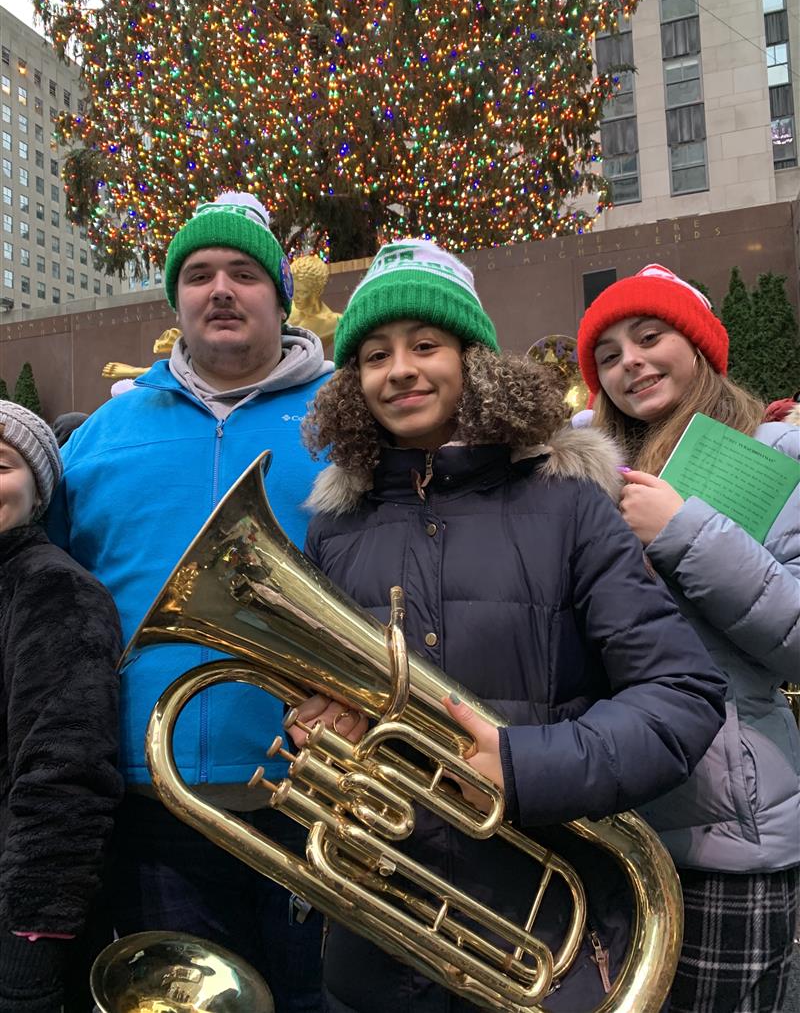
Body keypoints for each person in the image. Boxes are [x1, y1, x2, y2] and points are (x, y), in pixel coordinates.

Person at [293, 239, 728, 1013]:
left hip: (546, 931)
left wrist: (526, 765)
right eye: (374, 355)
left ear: (474, 360)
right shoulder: (333, 527)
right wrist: (317, 718)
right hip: (376, 945)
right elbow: (307, 687)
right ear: (352, 384)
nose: (400, 370)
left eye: (426, 345)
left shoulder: (568, 503)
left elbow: (683, 692)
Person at [47, 192, 332, 1012]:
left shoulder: (346, 414)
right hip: (153, 802)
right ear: (175, 300)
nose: (220, 289)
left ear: (280, 296)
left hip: (313, 790)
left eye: (244, 273)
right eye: (199, 273)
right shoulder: (104, 431)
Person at [576, 263, 800, 1013]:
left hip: (726, 842)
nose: (628, 362)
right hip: (610, 828)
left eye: (649, 337)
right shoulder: (582, 471)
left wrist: (684, 529)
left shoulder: (777, 452)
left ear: (699, 345)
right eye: (607, 354)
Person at [0, 402, 122, 1013]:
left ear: (37, 490)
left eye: (1, 465)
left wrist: (32, 938)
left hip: (14, 925)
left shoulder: (55, 588)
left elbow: (67, 775)